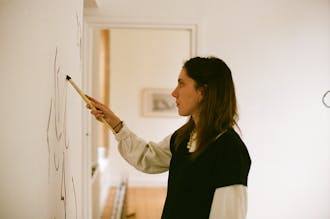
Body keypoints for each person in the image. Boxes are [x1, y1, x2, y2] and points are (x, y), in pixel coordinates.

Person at [87, 56, 251, 219]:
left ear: (202, 91)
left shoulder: (231, 151)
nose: (174, 93)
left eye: (181, 84)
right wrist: (115, 124)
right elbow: (148, 158)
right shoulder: (184, 136)